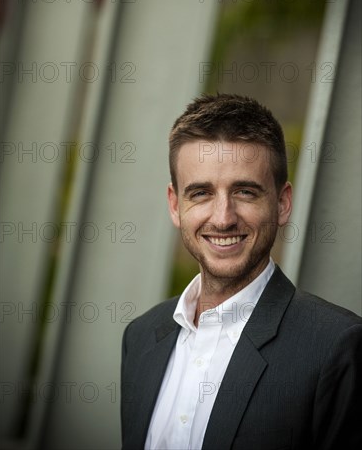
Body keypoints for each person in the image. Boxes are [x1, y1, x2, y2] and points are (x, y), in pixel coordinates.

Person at [120, 94, 362, 450]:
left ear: (282, 203)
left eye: (245, 192)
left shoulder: (335, 347)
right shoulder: (140, 339)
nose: (223, 218)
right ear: (175, 206)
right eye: (201, 193)